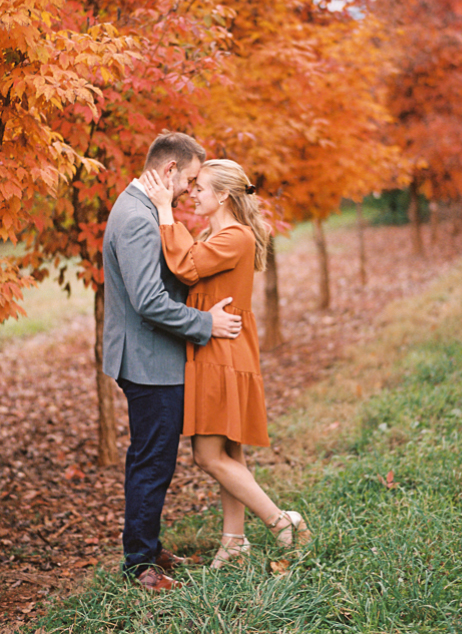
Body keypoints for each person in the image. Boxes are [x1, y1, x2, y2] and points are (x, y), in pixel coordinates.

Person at [141, 158, 310, 569]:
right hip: (216, 344)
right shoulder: (212, 232)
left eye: (200, 188)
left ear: (224, 196)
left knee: (208, 455)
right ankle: (234, 542)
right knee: (231, 454)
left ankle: (282, 521)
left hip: (222, 351)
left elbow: (187, 266)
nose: (191, 193)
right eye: (192, 187)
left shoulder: (235, 236)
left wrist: (164, 210)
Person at [103, 132, 244, 592]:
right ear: (168, 172)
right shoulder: (139, 218)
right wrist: (205, 324)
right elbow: (148, 300)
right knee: (152, 462)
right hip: (148, 360)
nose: (188, 189)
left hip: (151, 356)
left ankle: (146, 545)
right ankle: (140, 564)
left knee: (152, 458)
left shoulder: (139, 207)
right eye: (187, 179)